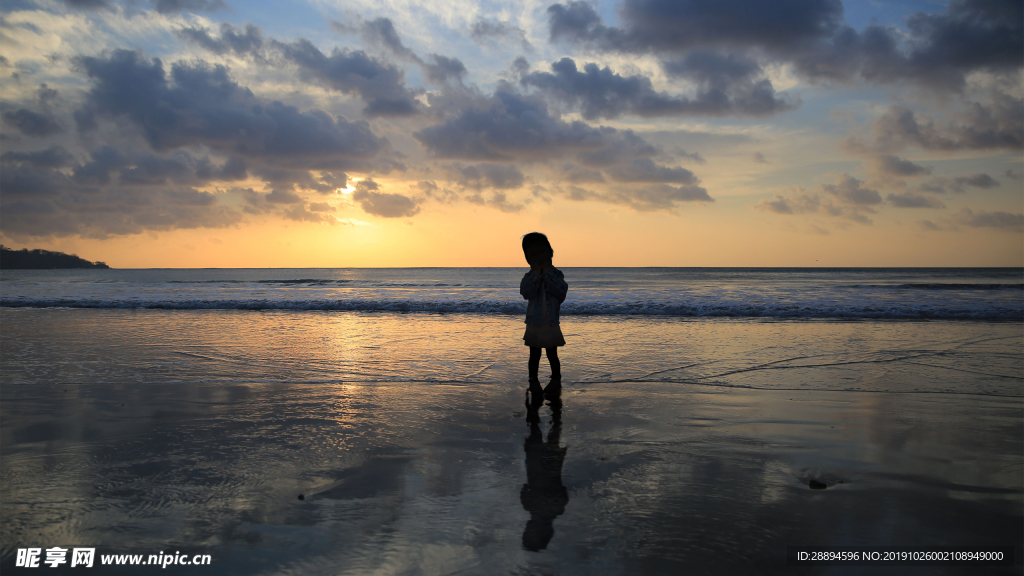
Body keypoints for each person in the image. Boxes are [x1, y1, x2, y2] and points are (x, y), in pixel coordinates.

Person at [520, 232, 567, 392]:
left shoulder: (556, 274)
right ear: (527, 259)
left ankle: (556, 377)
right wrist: (535, 275)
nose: (539, 257)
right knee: (534, 354)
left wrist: (547, 274)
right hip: (534, 322)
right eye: (533, 254)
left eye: (542, 252)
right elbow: (526, 293)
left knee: (552, 353)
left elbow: (561, 293)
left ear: (550, 252)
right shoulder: (529, 276)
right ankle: (533, 378)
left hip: (551, 322)